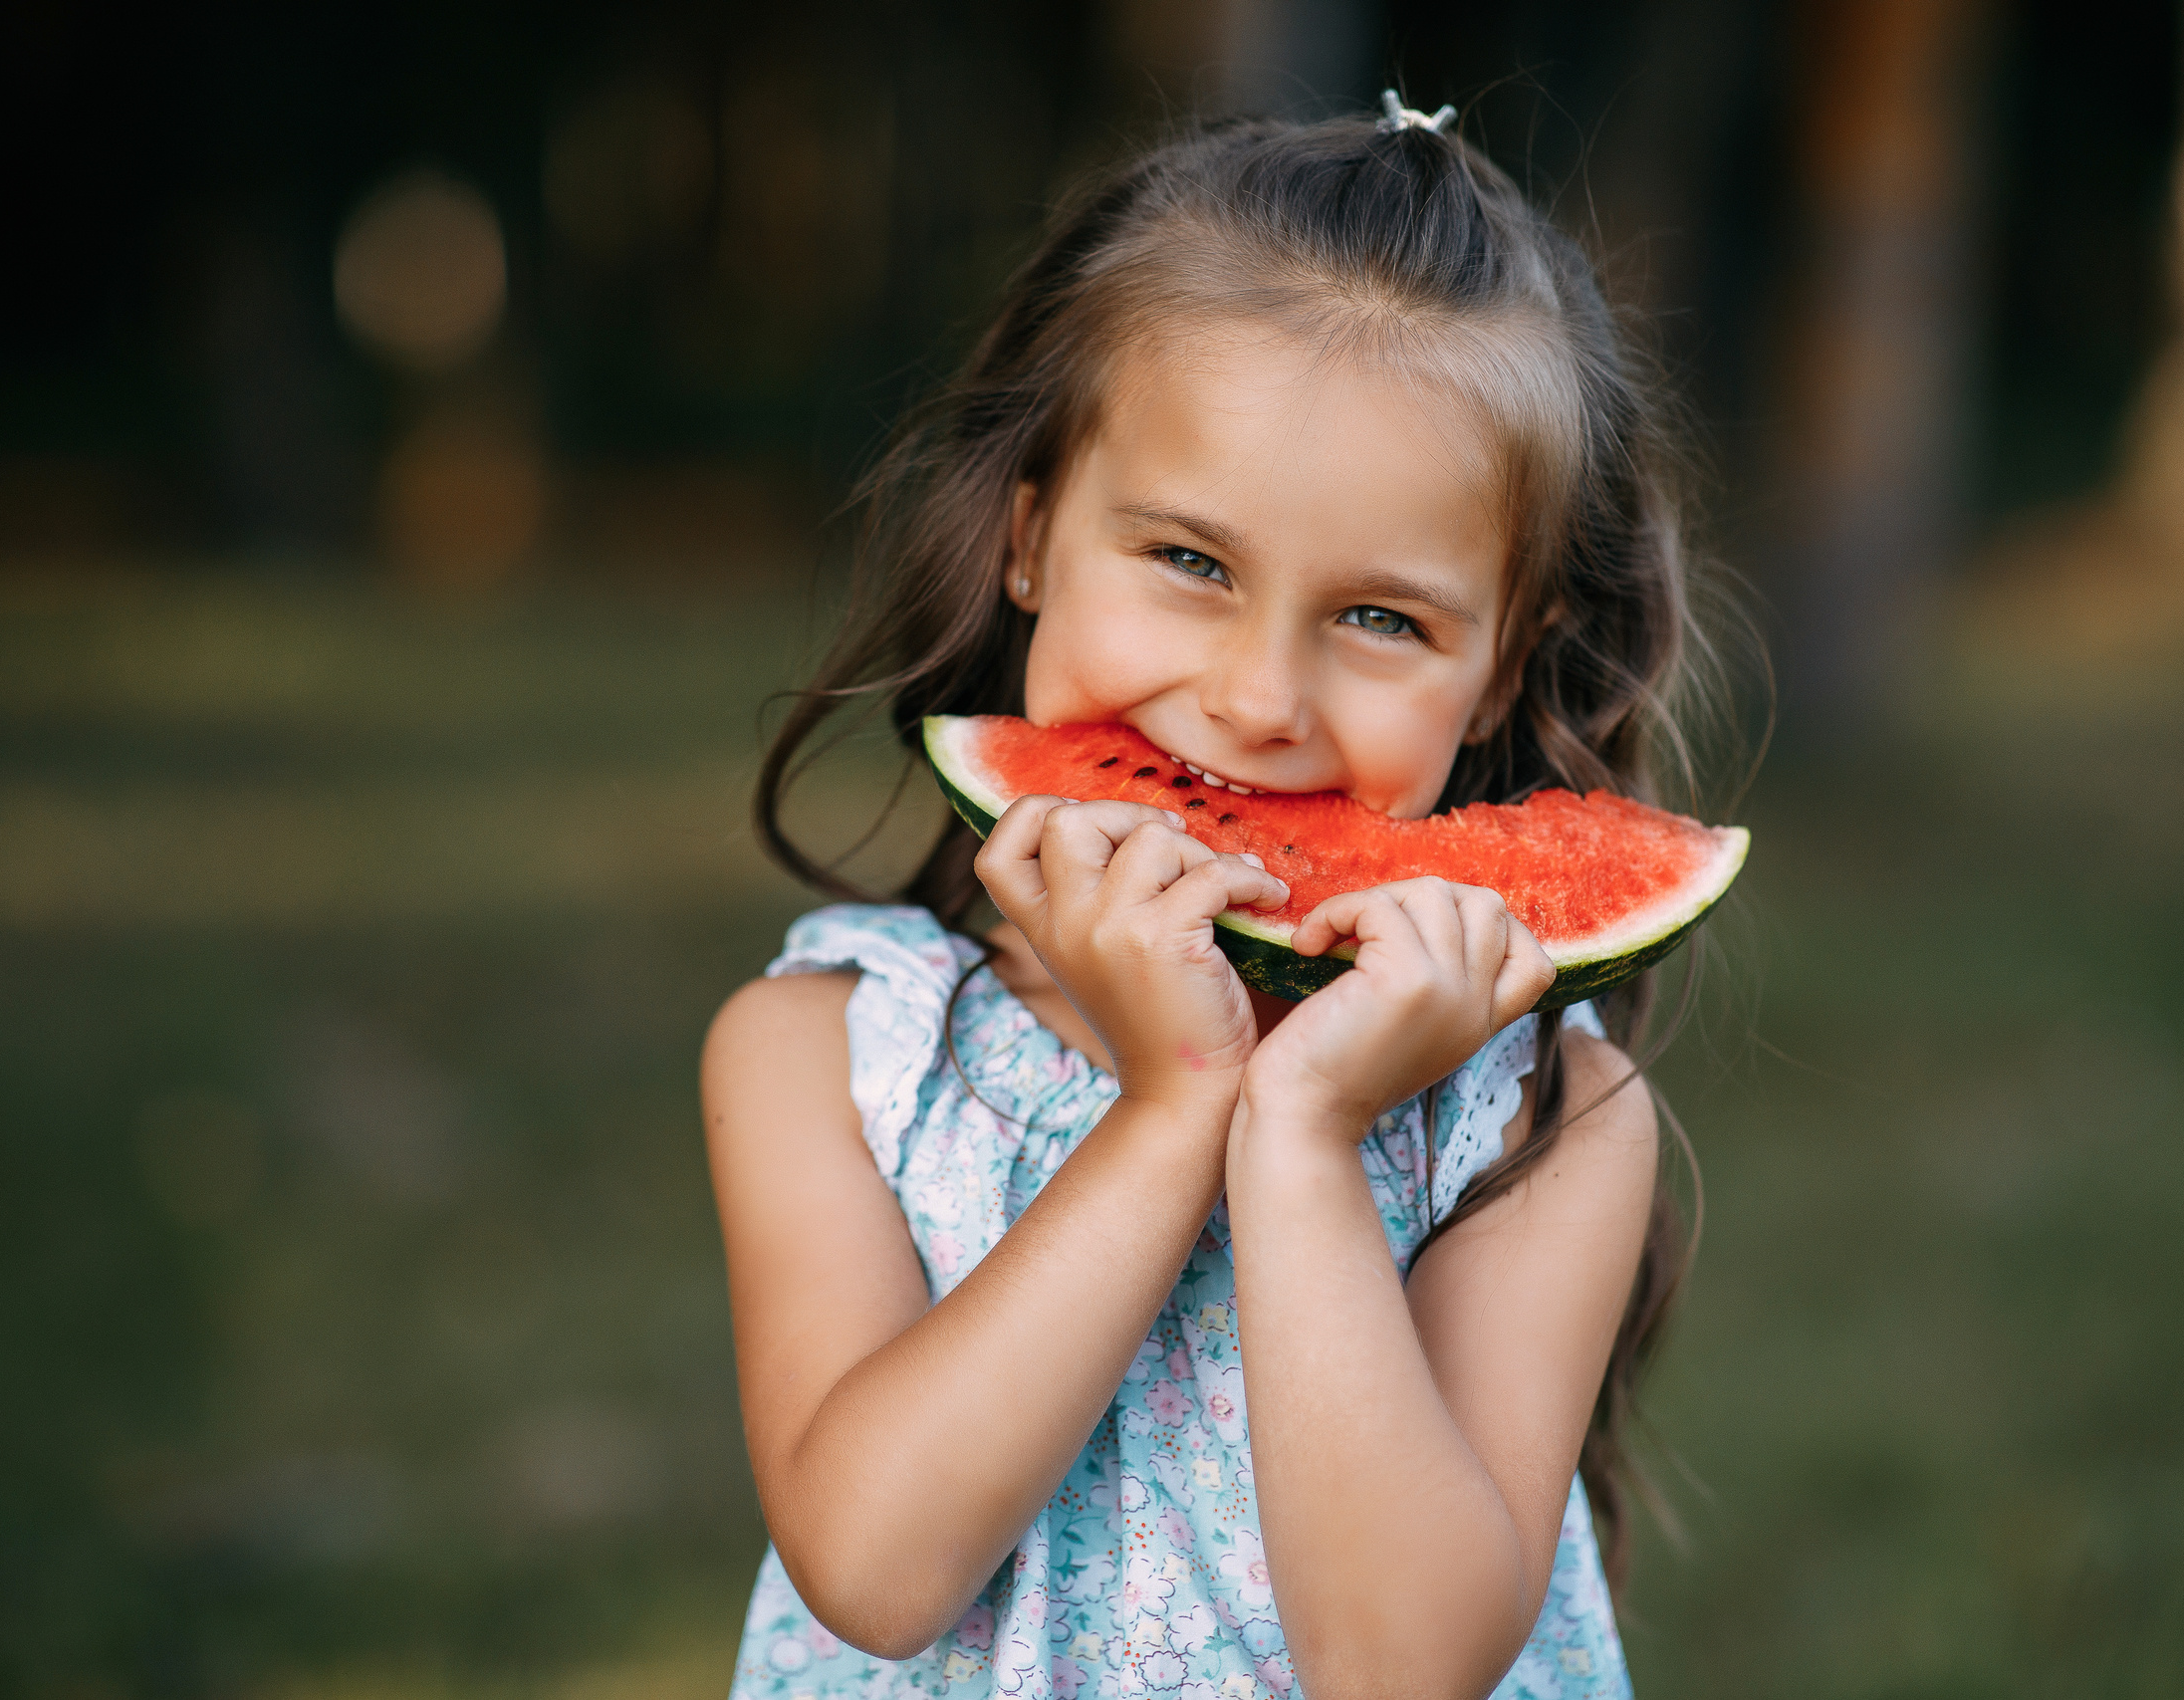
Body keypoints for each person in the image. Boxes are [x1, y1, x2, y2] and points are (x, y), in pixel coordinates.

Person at [704, 96, 1727, 1699]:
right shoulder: (828, 1052)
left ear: (1498, 670)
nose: (1258, 701)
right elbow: (878, 1571)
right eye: (1190, 561)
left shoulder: (1541, 1122)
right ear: (1031, 539)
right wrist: (1175, 1101)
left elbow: (1402, 1669)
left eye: (1382, 618)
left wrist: (1304, 1132)